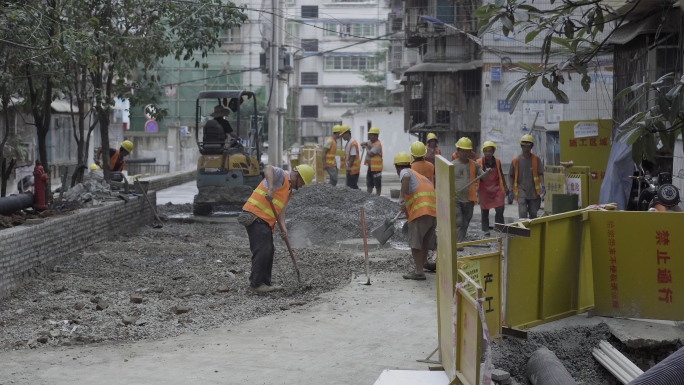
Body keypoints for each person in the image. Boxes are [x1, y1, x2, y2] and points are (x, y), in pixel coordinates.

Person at [238, 164, 315, 293]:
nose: (301, 186)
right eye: (302, 182)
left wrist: (283, 227)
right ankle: (256, 284)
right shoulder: (282, 176)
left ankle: (265, 283)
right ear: (297, 176)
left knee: (269, 249)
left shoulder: (288, 191)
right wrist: (271, 189)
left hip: (264, 221)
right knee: (263, 248)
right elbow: (268, 168)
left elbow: (281, 209)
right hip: (255, 215)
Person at [394, 152, 437, 280]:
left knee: (415, 243)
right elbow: (417, 194)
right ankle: (421, 267)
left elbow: (405, 176)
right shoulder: (420, 177)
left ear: (397, 167)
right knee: (424, 243)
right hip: (432, 213)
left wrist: (401, 197)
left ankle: (418, 272)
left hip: (421, 213)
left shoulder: (405, 171)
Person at [453, 137, 489, 250]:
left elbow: (485, 177)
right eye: (462, 150)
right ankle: (458, 244)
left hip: (469, 199)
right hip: (455, 198)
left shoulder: (474, 165)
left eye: (467, 151)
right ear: (457, 151)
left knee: (466, 221)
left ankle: (460, 240)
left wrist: (487, 173)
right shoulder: (451, 165)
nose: (464, 153)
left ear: (470, 152)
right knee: (458, 221)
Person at [476, 141, 509, 236]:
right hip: (484, 190)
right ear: (483, 152)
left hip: (496, 189)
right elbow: (477, 176)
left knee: (500, 208)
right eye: (486, 151)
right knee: (485, 210)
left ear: (493, 151)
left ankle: (500, 227)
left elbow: (501, 174)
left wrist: (505, 187)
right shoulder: (479, 162)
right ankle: (485, 229)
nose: (488, 153)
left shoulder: (497, 161)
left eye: (490, 151)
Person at [509, 134, 545, 219]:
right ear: (521, 147)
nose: (526, 149)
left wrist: (543, 186)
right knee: (522, 212)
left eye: (528, 147)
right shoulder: (515, 160)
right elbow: (511, 176)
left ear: (531, 147)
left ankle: (532, 231)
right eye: (524, 146)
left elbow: (540, 173)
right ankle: (524, 230)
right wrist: (510, 190)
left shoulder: (536, 159)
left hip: (533, 192)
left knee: (533, 214)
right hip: (521, 191)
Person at [361, 126, 383, 196]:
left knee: (377, 184)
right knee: (369, 183)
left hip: (376, 169)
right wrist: (366, 143)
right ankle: (368, 196)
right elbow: (362, 143)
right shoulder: (372, 143)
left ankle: (377, 197)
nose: (369, 136)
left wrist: (367, 147)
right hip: (371, 167)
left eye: (371, 135)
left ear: (375, 136)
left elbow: (370, 153)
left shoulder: (377, 145)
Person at [340, 125, 360, 189]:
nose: (342, 137)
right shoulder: (349, 143)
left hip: (353, 170)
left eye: (343, 135)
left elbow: (353, 156)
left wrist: (349, 167)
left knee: (353, 186)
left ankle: (359, 195)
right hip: (351, 169)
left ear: (347, 133)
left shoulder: (353, 143)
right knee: (350, 186)